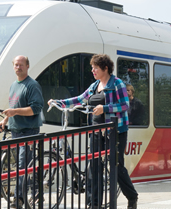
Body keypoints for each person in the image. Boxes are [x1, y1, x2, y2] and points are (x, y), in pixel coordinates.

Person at [48, 54, 139, 209]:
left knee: (116, 165)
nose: (92, 70)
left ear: (105, 68)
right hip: (96, 131)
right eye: (92, 67)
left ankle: (132, 196)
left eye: (95, 67)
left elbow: (124, 105)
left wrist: (104, 108)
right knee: (94, 166)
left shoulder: (117, 84)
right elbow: (79, 99)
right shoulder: (94, 86)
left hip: (115, 131)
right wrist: (60, 102)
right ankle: (93, 204)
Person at [0, 55, 45, 208]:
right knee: (22, 166)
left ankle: (19, 199)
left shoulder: (32, 85)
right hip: (16, 131)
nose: (18, 67)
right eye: (16, 65)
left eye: (21, 65)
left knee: (23, 166)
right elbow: (13, 106)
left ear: (27, 66)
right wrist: (5, 120)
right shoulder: (13, 85)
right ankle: (37, 192)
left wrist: (15, 112)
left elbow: (36, 108)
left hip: (28, 131)